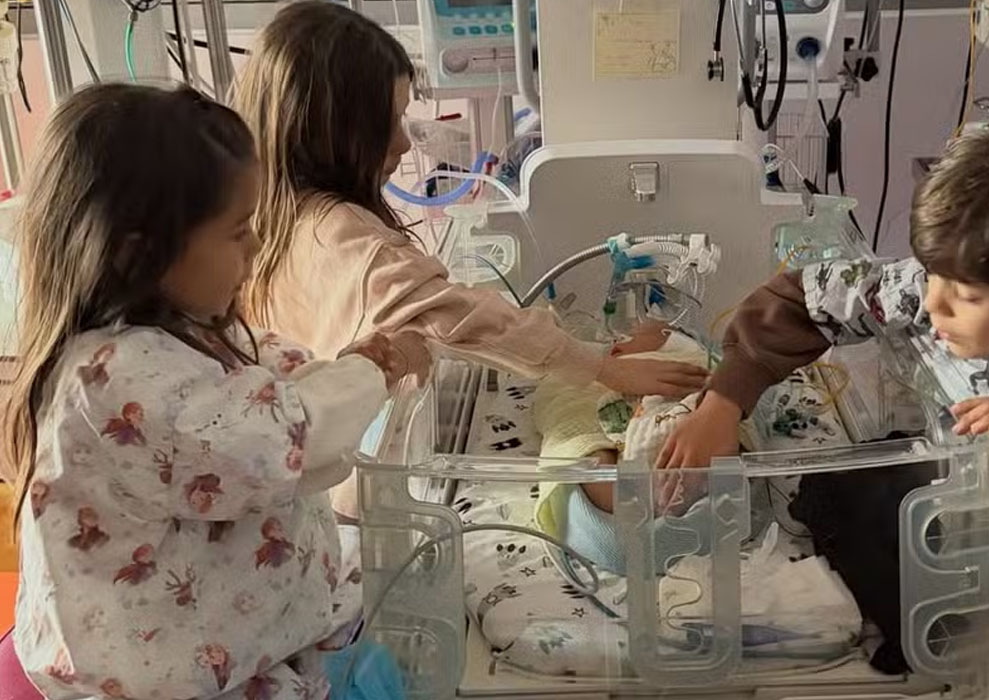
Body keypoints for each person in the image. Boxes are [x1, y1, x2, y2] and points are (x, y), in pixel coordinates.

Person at [657, 107, 989, 699]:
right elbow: (803, 296)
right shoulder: (939, 294)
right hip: (936, 607)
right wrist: (723, 403)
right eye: (930, 274)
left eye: (963, 294)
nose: (932, 304)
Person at [0, 84, 405, 700]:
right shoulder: (117, 378)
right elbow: (282, 439)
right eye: (238, 232)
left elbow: (269, 369)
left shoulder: (183, 332)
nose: (256, 247)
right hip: (154, 678)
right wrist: (369, 373)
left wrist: (347, 365)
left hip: (219, 643)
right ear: (140, 255)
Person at [231, 2, 706, 516]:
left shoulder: (267, 222)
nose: (402, 142)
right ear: (327, 127)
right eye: (389, 122)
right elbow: (461, 317)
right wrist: (603, 369)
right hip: (358, 486)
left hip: (315, 482)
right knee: (588, 454)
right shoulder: (344, 235)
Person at [531, 322, 758, 573]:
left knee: (714, 416)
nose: (619, 341)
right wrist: (606, 368)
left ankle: (665, 483)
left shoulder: (692, 352)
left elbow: (729, 374)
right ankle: (650, 491)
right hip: (604, 402)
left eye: (627, 337)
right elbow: (556, 393)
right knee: (584, 442)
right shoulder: (589, 365)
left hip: (678, 410)